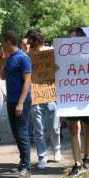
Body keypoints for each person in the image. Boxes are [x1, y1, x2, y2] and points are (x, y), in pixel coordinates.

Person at [0, 32, 32, 178]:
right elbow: (3, 76)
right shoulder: (9, 57)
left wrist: (21, 103)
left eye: (3, 42)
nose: (1, 45)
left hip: (21, 101)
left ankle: (26, 167)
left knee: (22, 132)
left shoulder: (23, 58)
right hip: (11, 100)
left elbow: (27, 81)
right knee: (16, 133)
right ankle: (23, 161)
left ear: (9, 41)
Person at [25, 29, 62, 169]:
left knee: (55, 127)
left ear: (36, 40)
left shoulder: (51, 51)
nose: (29, 43)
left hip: (51, 94)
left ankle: (57, 150)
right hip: (35, 95)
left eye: (31, 40)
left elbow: (59, 69)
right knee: (38, 129)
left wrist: (54, 67)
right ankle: (42, 156)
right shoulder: (28, 56)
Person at [65, 27, 89, 176]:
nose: (70, 42)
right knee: (73, 128)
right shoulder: (63, 56)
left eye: (73, 39)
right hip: (71, 97)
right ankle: (77, 163)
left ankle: (86, 157)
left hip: (87, 98)